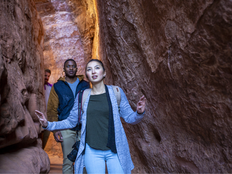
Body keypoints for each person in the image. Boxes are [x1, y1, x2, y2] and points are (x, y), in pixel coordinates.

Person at [35, 59, 146, 174]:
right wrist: (48, 124)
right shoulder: (82, 96)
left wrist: (138, 113)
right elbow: (70, 122)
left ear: (104, 73)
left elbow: (130, 118)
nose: (93, 71)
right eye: (89, 69)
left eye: (97, 68)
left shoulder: (116, 92)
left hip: (115, 151)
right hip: (92, 152)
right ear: (87, 75)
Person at [46, 59, 90, 174]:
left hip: (83, 128)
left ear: (76, 69)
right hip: (66, 128)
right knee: (68, 161)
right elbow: (51, 109)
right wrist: (55, 130)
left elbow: (91, 105)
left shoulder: (85, 85)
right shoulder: (57, 86)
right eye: (68, 66)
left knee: (84, 161)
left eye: (73, 66)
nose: (71, 68)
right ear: (64, 69)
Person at [42, 69, 52, 149]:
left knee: (46, 134)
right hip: (40, 115)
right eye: (45, 75)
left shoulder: (50, 87)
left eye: (48, 76)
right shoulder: (39, 85)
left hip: (48, 116)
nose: (47, 77)